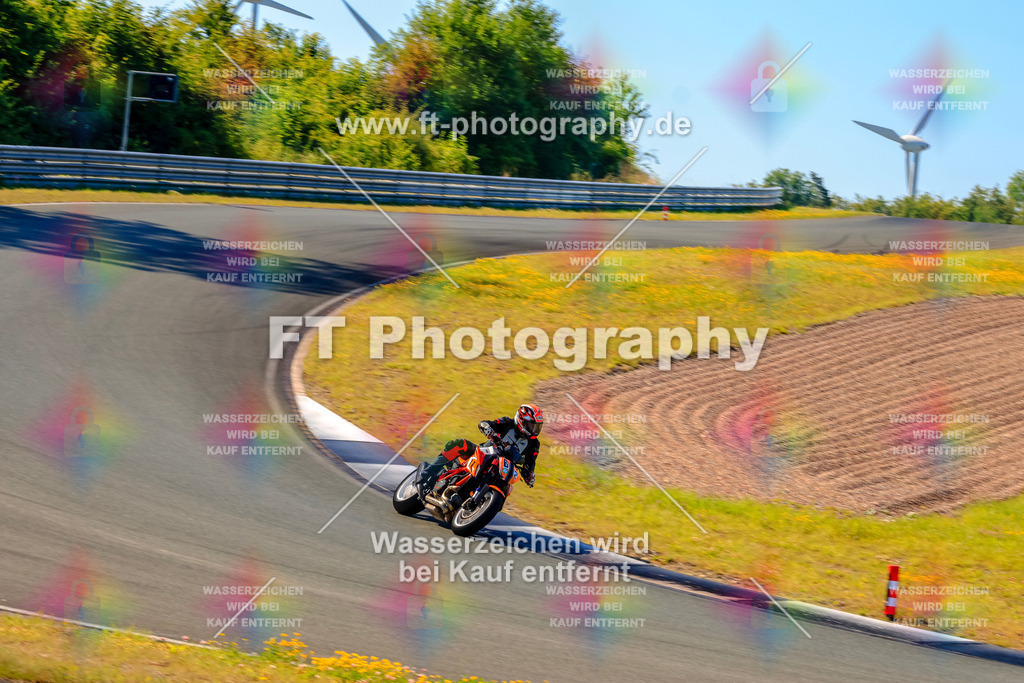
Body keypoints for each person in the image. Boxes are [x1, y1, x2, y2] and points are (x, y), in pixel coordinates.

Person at [418, 404, 543, 495]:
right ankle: (428, 472)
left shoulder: (534, 444)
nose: (534, 430)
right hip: (484, 453)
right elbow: (486, 423)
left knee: (507, 488)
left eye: (537, 427)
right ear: (521, 420)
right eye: (531, 425)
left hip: (502, 470)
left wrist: (529, 475)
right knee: (460, 444)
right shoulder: (507, 423)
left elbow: (530, 463)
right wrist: (488, 429)